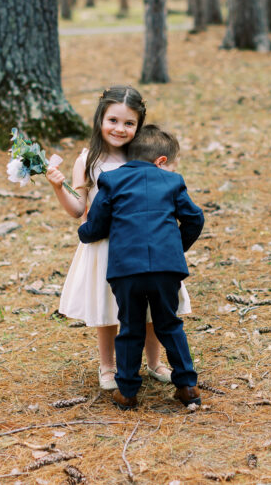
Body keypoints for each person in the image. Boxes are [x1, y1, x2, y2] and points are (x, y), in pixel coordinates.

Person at [46, 86, 191, 391]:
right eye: (113, 120)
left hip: (146, 244)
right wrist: (60, 187)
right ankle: (108, 366)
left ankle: (154, 362)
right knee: (107, 308)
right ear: (100, 118)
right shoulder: (89, 161)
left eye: (129, 123)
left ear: (139, 126)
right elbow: (77, 210)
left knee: (153, 310)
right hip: (105, 246)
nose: (120, 129)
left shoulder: (143, 156)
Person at [77, 124, 205, 409]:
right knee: (170, 324)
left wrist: (83, 232)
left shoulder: (111, 180)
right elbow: (195, 219)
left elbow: (97, 225)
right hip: (166, 268)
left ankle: (127, 391)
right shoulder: (172, 182)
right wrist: (174, 249)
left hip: (126, 270)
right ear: (161, 162)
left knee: (131, 327)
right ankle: (188, 386)